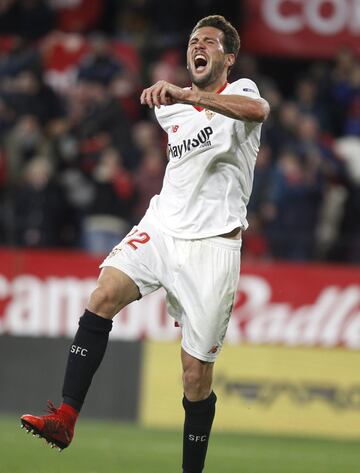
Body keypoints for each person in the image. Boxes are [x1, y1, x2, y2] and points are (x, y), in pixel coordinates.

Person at [20, 15, 269, 473]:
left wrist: (189, 94)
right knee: (102, 295)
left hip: (213, 247)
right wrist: (173, 97)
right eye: (194, 39)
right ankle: (66, 417)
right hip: (162, 228)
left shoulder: (242, 92)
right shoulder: (168, 109)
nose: (199, 45)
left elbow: (259, 113)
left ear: (228, 57)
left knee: (195, 378)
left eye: (209, 42)